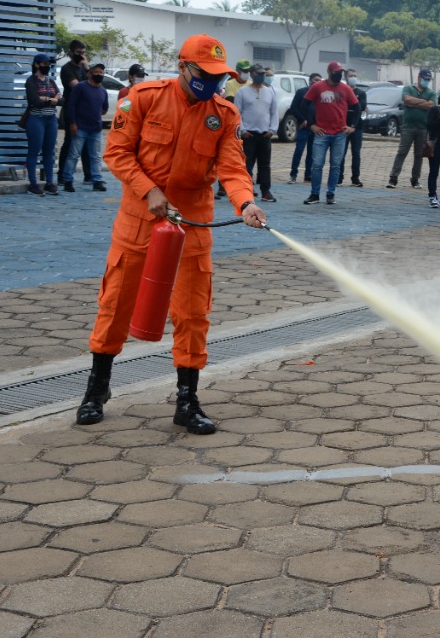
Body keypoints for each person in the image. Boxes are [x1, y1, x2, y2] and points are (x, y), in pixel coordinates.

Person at [75, 34, 267, 434]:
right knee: (116, 305)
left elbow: (232, 168)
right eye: (205, 74)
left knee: (193, 313)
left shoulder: (225, 114)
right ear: (183, 67)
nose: (214, 83)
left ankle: (187, 400)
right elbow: (117, 152)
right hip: (139, 221)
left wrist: (245, 203)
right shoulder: (143, 98)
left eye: (220, 77)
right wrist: (149, 190)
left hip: (191, 224)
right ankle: (97, 390)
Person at [303, 61, 358, 205]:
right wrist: (312, 125)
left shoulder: (345, 89)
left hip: (340, 133)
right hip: (321, 132)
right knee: (317, 164)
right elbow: (304, 104)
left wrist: (352, 126)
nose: (338, 75)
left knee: (335, 165)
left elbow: (357, 107)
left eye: (340, 72)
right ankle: (314, 194)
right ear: (329, 72)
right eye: (336, 72)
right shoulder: (318, 87)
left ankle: (330, 194)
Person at [234, 63, 279, 203]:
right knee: (247, 164)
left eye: (263, 73)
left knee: (265, 165)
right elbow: (236, 113)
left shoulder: (270, 91)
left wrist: (272, 130)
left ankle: (266, 191)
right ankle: (246, 191)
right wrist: (243, 130)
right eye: (258, 73)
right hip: (249, 135)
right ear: (252, 74)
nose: (261, 76)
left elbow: (274, 112)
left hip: (265, 134)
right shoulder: (242, 91)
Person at [386, 68, 435, 189]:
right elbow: (406, 99)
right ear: (419, 77)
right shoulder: (408, 88)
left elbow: (431, 105)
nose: (426, 81)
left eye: (428, 80)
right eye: (425, 79)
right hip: (408, 126)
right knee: (402, 152)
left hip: (423, 128)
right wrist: (423, 102)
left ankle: (415, 179)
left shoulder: (431, 93)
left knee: (419, 154)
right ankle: (393, 178)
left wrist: (414, 103)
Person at [63, 63, 109, 193]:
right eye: (96, 72)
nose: (99, 74)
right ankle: (68, 180)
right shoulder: (81, 87)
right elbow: (72, 105)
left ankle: (97, 180)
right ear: (89, 73)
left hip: (96, 129)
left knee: (95, 156)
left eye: (101, 72)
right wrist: (73, 123)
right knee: (74, 155)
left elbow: (104, 109)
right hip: (80, 127)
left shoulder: (103, 90)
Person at [23, 52, 61, 196]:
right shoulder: (31, 81)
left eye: (48, 64)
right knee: (34, 150)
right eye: (44, 64)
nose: (47, 67)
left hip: (50, 119)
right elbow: (35, 101)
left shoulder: (50, 81)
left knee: (49, 152)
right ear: (37, 64)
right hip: (36, 119)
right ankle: (33, 184)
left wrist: (47, 98)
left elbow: (61, 99)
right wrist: (51, 99)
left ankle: (49, 182)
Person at [58, 39, 90, 184]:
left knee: (87, 144)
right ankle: (62, 175)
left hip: (85, 110)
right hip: (71, 109)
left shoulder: (84, 69)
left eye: (83, 53)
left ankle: (89, 175)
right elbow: (78, 88)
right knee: (70, 142)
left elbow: (94, 85)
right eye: (78, 52)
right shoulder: (67, 69)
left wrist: (87, 68)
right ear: (71, 52)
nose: (81, 55)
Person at [288, 72, 321, 183]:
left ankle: (308, 175)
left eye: (320, 80)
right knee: (299, 150)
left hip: (315, 127)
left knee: (312, 152)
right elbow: (293, 108)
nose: (318, 82)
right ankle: (293, 174)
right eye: (316, 80)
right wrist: (302, 120)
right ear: (310, 81)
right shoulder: (302, 92)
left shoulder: (321, 95)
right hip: (303, 127)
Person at [345, 69, 366, 187]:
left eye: (355, 75)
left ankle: (355, 178)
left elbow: (361, 106)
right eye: (351, 76)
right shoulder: (342, 91)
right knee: (340, 154)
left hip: (357, 128)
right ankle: (339, 178)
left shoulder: (361, 93)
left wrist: (353, 126)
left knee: (356, 154)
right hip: (343, 127)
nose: (353, 77)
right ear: (346, 77)